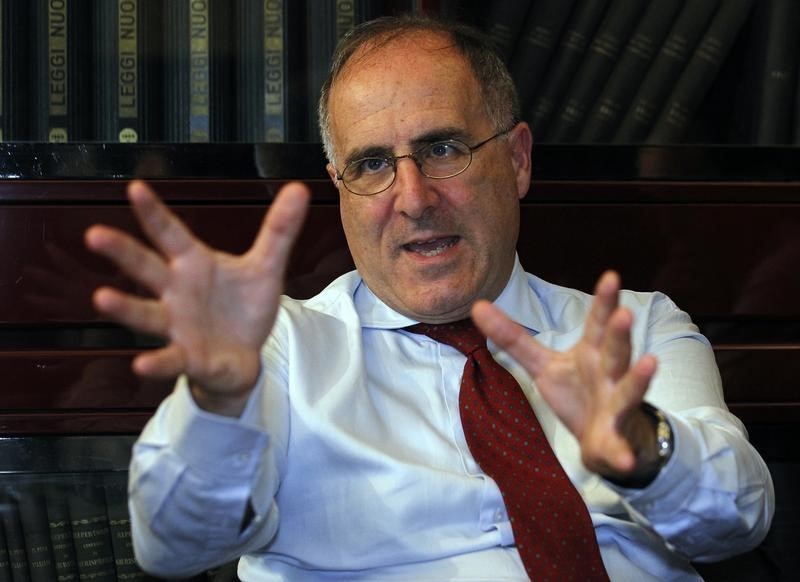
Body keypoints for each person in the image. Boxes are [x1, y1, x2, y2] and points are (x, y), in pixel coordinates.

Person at [85, 14, 774, 582]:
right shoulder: (276, 350)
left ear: (518, 159)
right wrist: (216, 407)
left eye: (443, 148)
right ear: (340, 187)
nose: (413, 199)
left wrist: (641, 449)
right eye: (372, 164)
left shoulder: (633, 328)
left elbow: (737, 524)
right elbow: (173, 547)